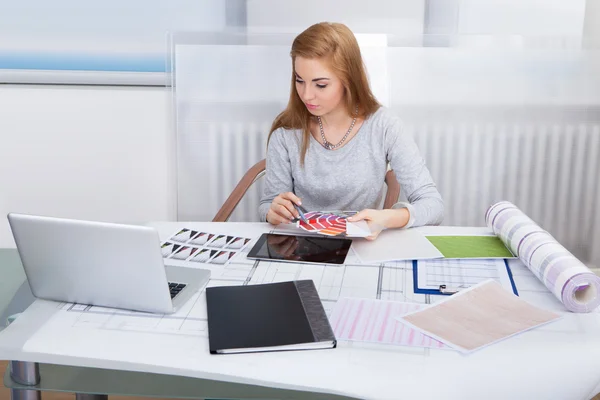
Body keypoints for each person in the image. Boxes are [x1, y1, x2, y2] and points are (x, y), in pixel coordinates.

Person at [258, 22, 444, 240]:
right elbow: (266, 206)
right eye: (300, 81)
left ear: (348, 80)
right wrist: (273, 212)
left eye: (321, 85)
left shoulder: (384, 126)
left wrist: (387, 218)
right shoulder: (286, 132)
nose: (306, 95)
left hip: (360, 247)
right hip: (301, 249)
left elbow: (433, 205)